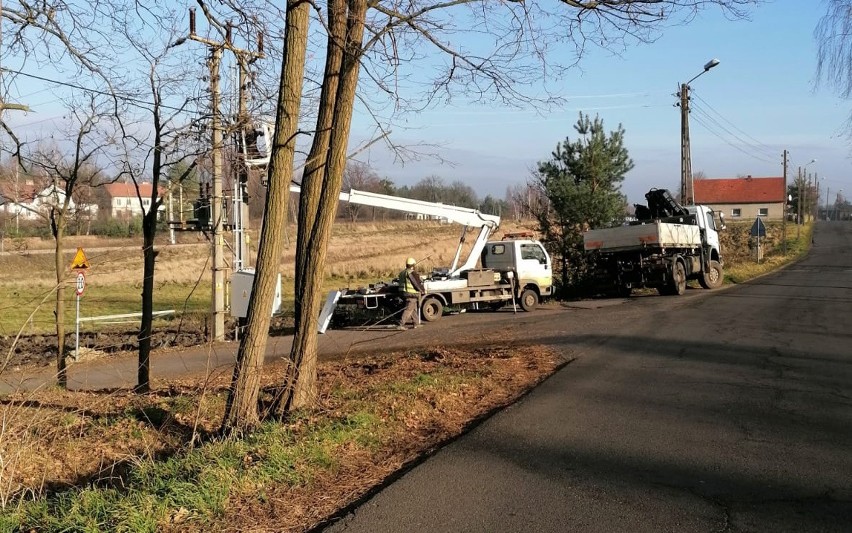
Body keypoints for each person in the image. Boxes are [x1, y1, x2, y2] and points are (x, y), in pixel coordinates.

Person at [397, 257, 425, 330]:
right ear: (413, 265)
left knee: (413, 308)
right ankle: (401, 324)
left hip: (403, 293)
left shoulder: (402, 272)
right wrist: (422, 290)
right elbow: (416, 283)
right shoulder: (411, 273)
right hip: (411, 293)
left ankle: (416, 323)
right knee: (409, 309)